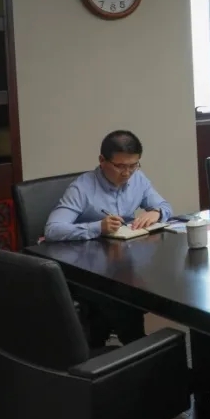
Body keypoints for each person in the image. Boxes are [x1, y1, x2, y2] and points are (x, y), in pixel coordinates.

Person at [44, 130, 171, 346]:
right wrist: (98, 227)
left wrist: (156, 212)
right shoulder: (82, 187)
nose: (127, 173)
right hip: (87, 267)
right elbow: (53, 229)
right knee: (122, 297)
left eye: (134, 165)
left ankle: (127, 344)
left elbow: (164, 205)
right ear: (102, 161)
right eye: (120, 166)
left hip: (123, 262)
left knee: (145, 283)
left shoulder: (138, 179)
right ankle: (133, 345)